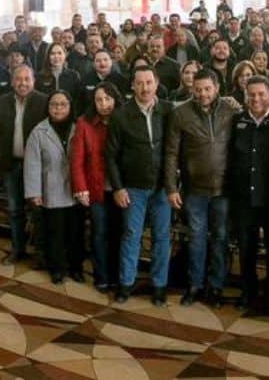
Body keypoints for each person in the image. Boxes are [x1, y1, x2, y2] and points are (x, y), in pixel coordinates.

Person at [165, 70, 238, 307]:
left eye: (207, 89)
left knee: (220, 239)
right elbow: (171, 153)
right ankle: (194, 285)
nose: (203, 94)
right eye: (198, 90)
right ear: (192, 89)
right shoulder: (180, 113)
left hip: (223, 190)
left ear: (216, 88)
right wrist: (171, 188)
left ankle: (216, 287)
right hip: (194, 190)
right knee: (196, 239)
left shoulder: (231, 111)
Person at [106, 66, 175, 306]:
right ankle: (126, 283)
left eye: (149, 82)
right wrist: (118, 187)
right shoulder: (121, 115)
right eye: (140, 83)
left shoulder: (168, 110)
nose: (145, 88)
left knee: (161, 237)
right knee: (131, 235)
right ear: (133, 86)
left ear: (157, 84)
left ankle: (159, 286)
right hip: (133, 188)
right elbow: (111, 156)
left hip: (162, 188)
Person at [227, 76, 269, 315]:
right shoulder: (238, 121)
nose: (256, 99)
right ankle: (248, 291)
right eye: (251, 94)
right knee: (246, 248)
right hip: (244, 198)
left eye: (261, 94)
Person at [0, 64, 48, 264]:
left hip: (36, 168)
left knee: (38, 211)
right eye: (18, 79)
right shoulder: (2, 102)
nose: (23, 83)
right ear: (12, 82)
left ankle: (41, 253)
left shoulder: (44, 101)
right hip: (10, 165)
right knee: (14, 210)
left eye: (27, 79)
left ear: (33, 81)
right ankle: (17, 249)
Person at [23, 90, 83, 284]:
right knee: (54, 233)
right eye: (54, 104)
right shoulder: (39, 131)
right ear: (48, 107)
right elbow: (32, 164)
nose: (58, 108)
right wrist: (34, 193)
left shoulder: (79, 127)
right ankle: (57, 269)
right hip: (52, 190)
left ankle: (76, 268)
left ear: (70, 106)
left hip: (76, 190)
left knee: (75, 233)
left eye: (63, 104)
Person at [70, 81, 124, 292]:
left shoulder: (125, 119)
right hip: (96, 188)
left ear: (115, 99)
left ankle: (116, 276)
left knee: (118, 233)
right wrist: (80, 188)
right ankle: (101, 276)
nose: (104, 104)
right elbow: (77, 160)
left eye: (107, 99)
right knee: (99, 233)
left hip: (121, 188)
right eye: (99, 100)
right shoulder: (84, 123)